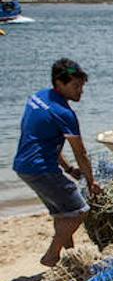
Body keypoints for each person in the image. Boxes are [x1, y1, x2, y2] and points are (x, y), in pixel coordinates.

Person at [13, 58, 101, 266]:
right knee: (80, 211)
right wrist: (91, 181)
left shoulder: (37, 98)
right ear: (59, 83)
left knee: (63, 212)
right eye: (75, 86)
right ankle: (51, 255)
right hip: (41, 169)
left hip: (23, 166)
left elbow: (43, 139)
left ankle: (69, 254)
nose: (80, 91)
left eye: (81, 86)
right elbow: (81, 153)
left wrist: (68, 168)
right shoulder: (64, 113)